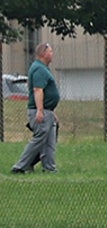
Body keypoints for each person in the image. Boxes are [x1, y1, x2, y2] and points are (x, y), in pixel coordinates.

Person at [10, 43, 59, 174]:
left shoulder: (43, 68)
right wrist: (40, 110)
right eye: (50, 51)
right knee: (39, 138)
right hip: (40, 111)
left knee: (50, 141)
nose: (52, 53)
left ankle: (49, 168)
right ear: (43, 53)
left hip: (47, 111)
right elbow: (38, 90)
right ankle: (20, 166)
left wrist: (50, 111)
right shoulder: (39, 69)